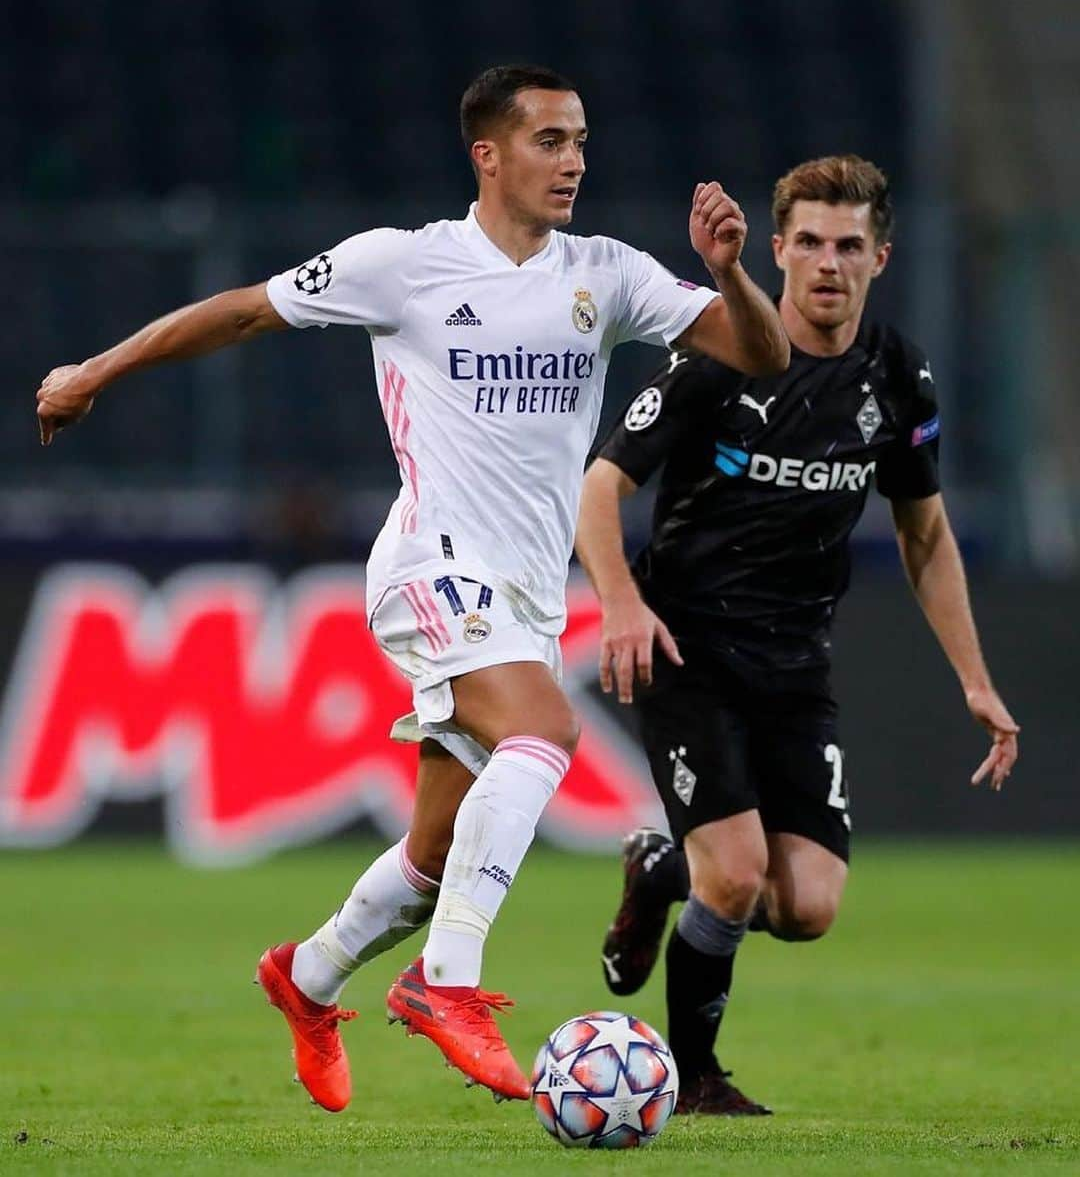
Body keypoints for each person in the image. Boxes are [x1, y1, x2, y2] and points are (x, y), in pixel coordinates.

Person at [35, 65, 788, 1111]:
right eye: (548, 140)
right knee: (545, 734)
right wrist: (92, 373)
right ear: (488, 154)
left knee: (433, 855)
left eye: (580, 140)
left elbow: (762, 353)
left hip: (521, 593)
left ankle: (305, 980)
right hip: (429, 564)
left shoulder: (605, 274)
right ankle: (449, 985)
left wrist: (734, 271)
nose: (573, 160)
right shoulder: (405, 265)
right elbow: (243, 315)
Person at [574, 154, 1019, 1116]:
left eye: (849, 245)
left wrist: (975, 679)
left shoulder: (897, 375)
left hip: (795, 662)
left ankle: (659, 871)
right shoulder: (715, 358)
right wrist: (619, 600)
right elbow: (600, 487)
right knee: (732, 879)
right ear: (776, 250)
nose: (828, 263)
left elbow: (926, 534)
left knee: (805, 908)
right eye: (809, 242)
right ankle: (695, 1079)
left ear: (881, 257)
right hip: (685, 650)